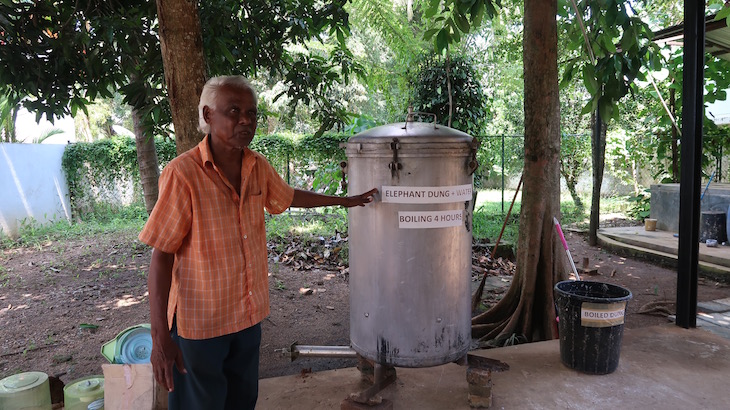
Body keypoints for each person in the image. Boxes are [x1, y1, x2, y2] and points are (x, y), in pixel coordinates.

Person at [139, 75, 377, 410]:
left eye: (251, 112)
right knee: (200, 404)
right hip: (200, 325)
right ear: (208, 116)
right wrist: (160, 337)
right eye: (233, 111)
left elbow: (289, 196)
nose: (246, 120)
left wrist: (343, 202)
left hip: (247, 318)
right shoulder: (183, 174)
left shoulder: (256, 166)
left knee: (242, 401)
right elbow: (161, 258)